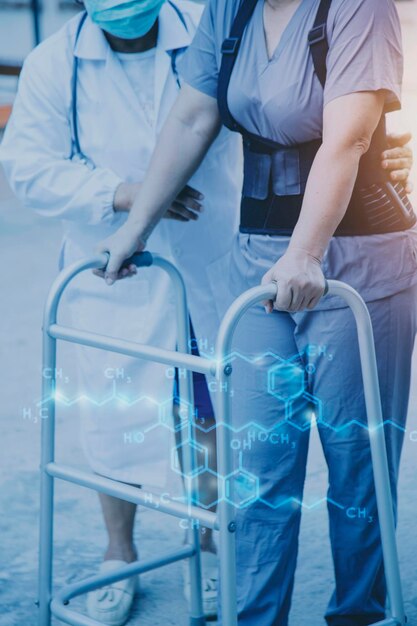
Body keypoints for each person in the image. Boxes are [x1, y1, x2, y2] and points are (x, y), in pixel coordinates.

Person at [94, 0, 417, 624]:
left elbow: (348, 134)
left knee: (358, 470)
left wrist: (305, 252)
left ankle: (360, 613)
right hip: (259, 265)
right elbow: (192, 115)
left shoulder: (358, 6)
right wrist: (135, 228)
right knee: (259, 466)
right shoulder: (231, 9)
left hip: (359, 264)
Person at [0, 1, 244, 623]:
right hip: (111, 268)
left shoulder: (205, 29)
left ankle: (213, 545)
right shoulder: (55, 62)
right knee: (113, 413)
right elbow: (28, 167)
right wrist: (128, 195)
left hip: (206, 255)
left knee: (208, 414)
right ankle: (118, 552)